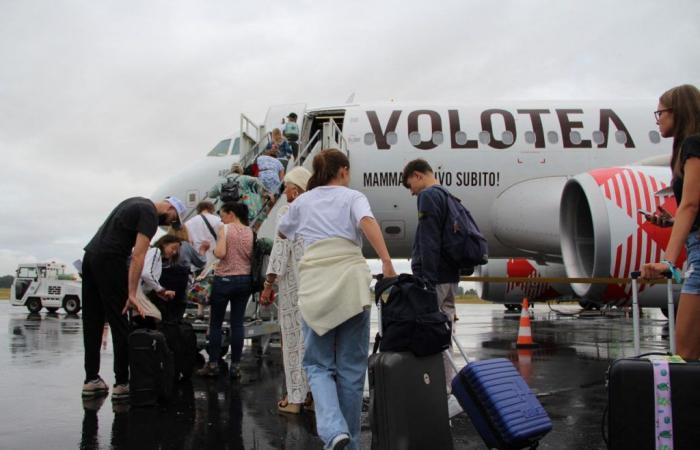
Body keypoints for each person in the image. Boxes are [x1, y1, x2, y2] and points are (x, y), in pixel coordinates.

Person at [278, 149, 396, 450]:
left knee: (318, 366)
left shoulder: (303, 201)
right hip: (351, 286)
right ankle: (349, 442)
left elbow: (282, 231)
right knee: (352, 369)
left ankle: (333, 431)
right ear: (343, 170)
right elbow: (367, 222)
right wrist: (386, 262)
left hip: (316, 285)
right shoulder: (353, 197)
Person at [81, 196, 185, 400]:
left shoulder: (134, 202)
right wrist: (131, 293)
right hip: (111, 260)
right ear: (170, 206)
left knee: (92, 320)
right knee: (120, 322)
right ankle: (121, 383)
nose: (170, 223)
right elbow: (138, 255)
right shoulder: (149, 214)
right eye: (173, 218)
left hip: (90, 257)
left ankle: (91, 380)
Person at [641, 84, 700, 360]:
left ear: (678, 112)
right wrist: (672, 223)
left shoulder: (693, 145)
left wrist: (668, 261)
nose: (658, 119)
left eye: (661, 112)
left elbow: (691, 203)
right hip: (695, 246)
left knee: (685, 352)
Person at [402, 158, 460, 386]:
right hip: (450, 276)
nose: (411, 193)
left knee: (428, 330)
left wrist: (426, 279)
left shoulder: (428, 196)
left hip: (435, 277)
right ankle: (447, 384)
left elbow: (429, 239)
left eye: (410, 185)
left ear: (418, 175)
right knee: (445, 332)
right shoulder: (447, 195)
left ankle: (433, 386)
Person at [260, 167, 313, 414]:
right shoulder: (318, 210)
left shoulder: (288, 211)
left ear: (295, 188)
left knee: (293, 342)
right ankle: (314, 396)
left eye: (287, 187)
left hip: (294, 290)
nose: (285, 192)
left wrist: (268, 284)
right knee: (317, 343)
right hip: (319, 285)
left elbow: (280, 254)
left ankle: (295, 399)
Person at [196, 202, 254, 378]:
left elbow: (220, 253)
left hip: (225, 280)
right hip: (244, 280)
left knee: (215, 323)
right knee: (237, 324)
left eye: (222, 214)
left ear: (231, 214)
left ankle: (213, 364)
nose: (221, 218)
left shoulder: (225, 229)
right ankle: (235, 366)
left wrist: (211, 249)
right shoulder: (250, 231)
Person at [160, 226, 208, 322]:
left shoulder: (162, 246)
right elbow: (200, 262)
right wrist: (203, 250)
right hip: (181, 286)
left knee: (164, 314)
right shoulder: (186, 246)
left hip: (163, 285)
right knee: (177, 315)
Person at [184, 201, 221, 319]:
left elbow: (188, 242)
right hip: (214, 260)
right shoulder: (217, 221)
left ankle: (200, 312)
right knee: (213, 288)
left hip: (197, 259)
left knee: (200, 286)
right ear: (211, 208)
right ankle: (211, 314)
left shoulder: (188, 223)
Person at [209, 163, 271, 227]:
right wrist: (265, 193)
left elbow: (211, 194)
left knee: (226, 228)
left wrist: (222, 192)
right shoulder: (245, 178)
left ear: (231, 171)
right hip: (240, 208)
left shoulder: (221, 181)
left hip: (224, 209)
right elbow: (256, 181)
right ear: (241, 171)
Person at [141, 234, 183, 323]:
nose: (174, 252)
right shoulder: (156, 251)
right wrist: (161, 290)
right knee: (156, 316)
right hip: (139, 293)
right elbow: (146, 274)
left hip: (143, 293)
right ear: (164, 244)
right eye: (173, 248)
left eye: (177, 250)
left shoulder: (157, 256)